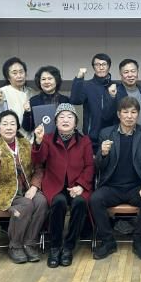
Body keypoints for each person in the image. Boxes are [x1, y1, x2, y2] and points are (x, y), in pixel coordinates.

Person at [90, 96, 141, 261]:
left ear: (138, 114)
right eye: (125, 112)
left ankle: (139, 242)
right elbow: (99, 167)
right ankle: (108, 242)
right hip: (112, 187)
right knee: (95, 199)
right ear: (119, 114)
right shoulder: (106, 133)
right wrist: (103, 154)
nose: (129, 116)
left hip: (136, 187)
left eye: (133, 112)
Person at [32, 103, 94, 268]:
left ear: (76, 122)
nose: (65, 120)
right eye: (61, 117)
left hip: (77, 186)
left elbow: (90, 166)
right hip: (55, 185)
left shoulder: (85, 141)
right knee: (58, 202)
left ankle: (68, 247)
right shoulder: (47, 138)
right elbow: (38, 160)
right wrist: (38, 142)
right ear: (56, 121)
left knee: (80, 203)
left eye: (70, 117)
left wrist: (81, 185)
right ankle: (55, 247)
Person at [0, 110, 48, 264]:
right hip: (3, 192)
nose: (9, 127)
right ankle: (15, 245)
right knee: (26, 205)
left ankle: (30, 243)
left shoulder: (26, 144)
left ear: (17, 127)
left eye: (12, 124)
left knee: (41, 201)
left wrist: (34, 187)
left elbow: (39, 168)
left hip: (27, 189)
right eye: (5, 124)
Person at [70, 53, 117, 151]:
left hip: (112, 136)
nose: (101, 67)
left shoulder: (117, 86)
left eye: (104, 64)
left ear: (109, 66)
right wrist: (79, 78)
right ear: (93, 67)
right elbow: (75, 100)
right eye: (97, 64)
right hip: (92, 138)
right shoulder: (87, 85)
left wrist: (112, 96)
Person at [22, 65, 70, 133]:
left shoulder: (65, 100)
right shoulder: (33, 101)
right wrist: (27, 112)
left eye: (50, 79)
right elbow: (28, 128)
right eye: (43, 79)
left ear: (56, 80)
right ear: (39, 82)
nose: (46, 82)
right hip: (41, 138)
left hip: (61, 138)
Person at [0, 57, 33, 137]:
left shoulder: (32, 92)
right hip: (11, 137)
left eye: (21, 72)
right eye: (14, 73)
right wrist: (0, 102)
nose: (19, 76)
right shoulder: (2, 92)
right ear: (8, 77)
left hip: (31, 137)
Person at [114, 58, 141, 128]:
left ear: (137, 72)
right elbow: (108, 117)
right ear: (121, 74)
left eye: (133, 71)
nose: (130, 75)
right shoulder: (115, 93)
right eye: (126, 72)